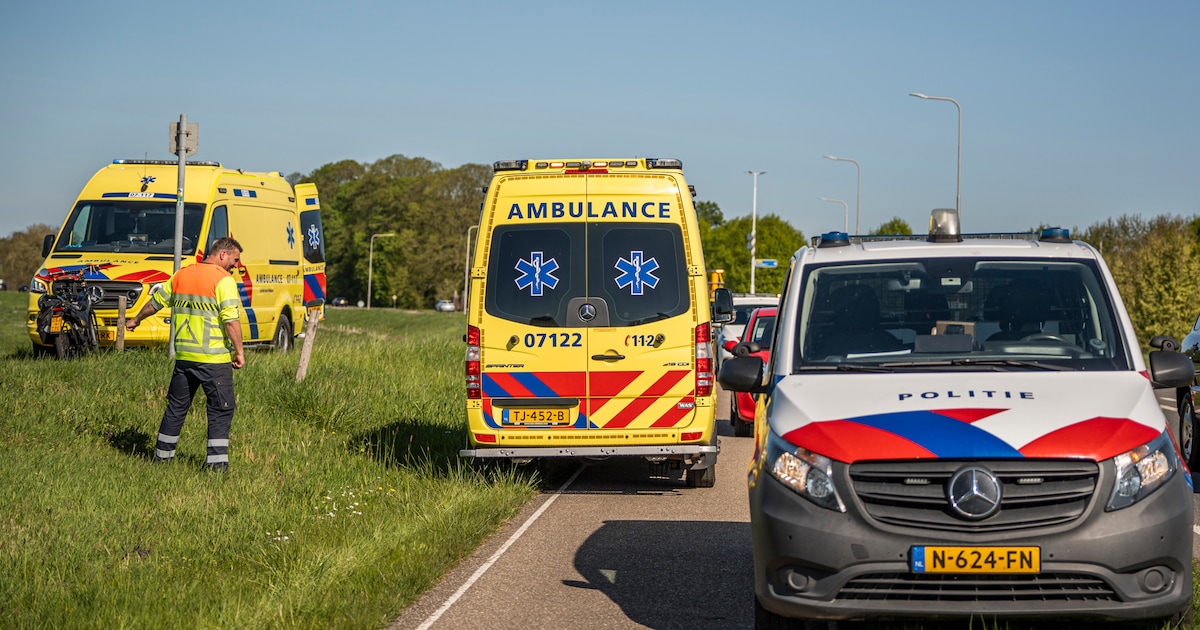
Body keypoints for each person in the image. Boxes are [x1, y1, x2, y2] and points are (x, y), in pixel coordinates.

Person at [127, 237, 246, 471]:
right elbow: (231, 320)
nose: (237, 265)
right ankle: (217, 467)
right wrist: (239, 352)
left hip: (184, 358)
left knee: (176, 407)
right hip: (213, 359)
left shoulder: (182, 275)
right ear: (222, 255)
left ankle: (161, 459)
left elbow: (157, 302)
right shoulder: (224, 280)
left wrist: (136, 319)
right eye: (235, 259)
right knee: (221, 410)